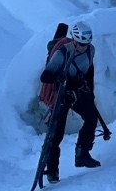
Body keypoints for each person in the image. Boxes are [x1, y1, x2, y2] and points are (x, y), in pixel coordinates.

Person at [40, 20, 108, 181]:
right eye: (80, 44)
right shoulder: (62, 52)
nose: (83, 47)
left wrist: (90, 92)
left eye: (86, 44)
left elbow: (89, 71)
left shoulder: (90, 50)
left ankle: (82, 154)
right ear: (74, 40)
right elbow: (46, 76)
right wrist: (60, 77)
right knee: (56, 133)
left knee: (91, 118)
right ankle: (52, 170)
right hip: (61, 93)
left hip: (77, 90)